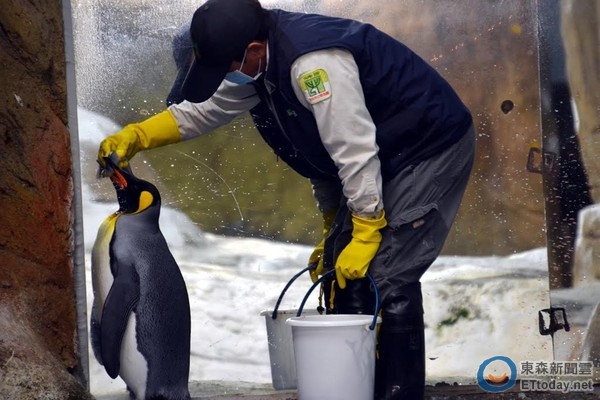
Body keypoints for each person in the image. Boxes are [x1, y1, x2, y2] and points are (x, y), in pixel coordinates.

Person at [97, 0, 475, 398]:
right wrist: (137, 136)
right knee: (340, 272)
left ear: (254, 50)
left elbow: (351, 148)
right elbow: (208, 114)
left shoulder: (313, 66)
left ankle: (397, 392)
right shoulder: (262, 69)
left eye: (227, 66)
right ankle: (351, 388)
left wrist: (365, 229)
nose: (226, 76)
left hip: (426, 147)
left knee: (383, 274)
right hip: (381, 157)